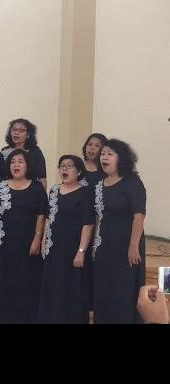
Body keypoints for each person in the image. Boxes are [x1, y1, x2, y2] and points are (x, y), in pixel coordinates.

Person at [0, 149, 48, 323]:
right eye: (12, 162)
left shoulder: (36, 188)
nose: (16, 165)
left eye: (20, 162)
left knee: (25, 278)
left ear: (28, 165)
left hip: (27, 241)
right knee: (1, 277)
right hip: (3, 241)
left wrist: (37, 238)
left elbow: (42, 214)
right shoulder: (1, 186)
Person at [92, 138, 147, 324]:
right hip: (105, 243)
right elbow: (99, 216)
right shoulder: (100, 184)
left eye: (110, 154)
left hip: (126, 244)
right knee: (104, 287)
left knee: (122, 290)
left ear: (120, 158)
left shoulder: (132, 182)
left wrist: (133, 246)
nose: (104, 157)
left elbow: (139, 216)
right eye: (103, 154)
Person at [38, 155, 94, 324]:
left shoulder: (85, 192)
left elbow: (88, 224)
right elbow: (48, 218)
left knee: (71, 287)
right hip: (53, 247)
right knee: (52, 285)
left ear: (78, 172)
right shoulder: (54, 190)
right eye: (62, 166)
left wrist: (81, 251)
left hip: (72, 248)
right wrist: (43, 242)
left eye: (69, 166)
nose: (64, 169)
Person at [0, 118, 47, 190]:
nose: (16, 133)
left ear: (28, 134)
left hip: (30, 190)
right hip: (7, 192)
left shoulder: (35, 151)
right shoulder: (4, 152)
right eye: (14, 130)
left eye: (21, 130)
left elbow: (42, 177)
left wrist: (42, 196)